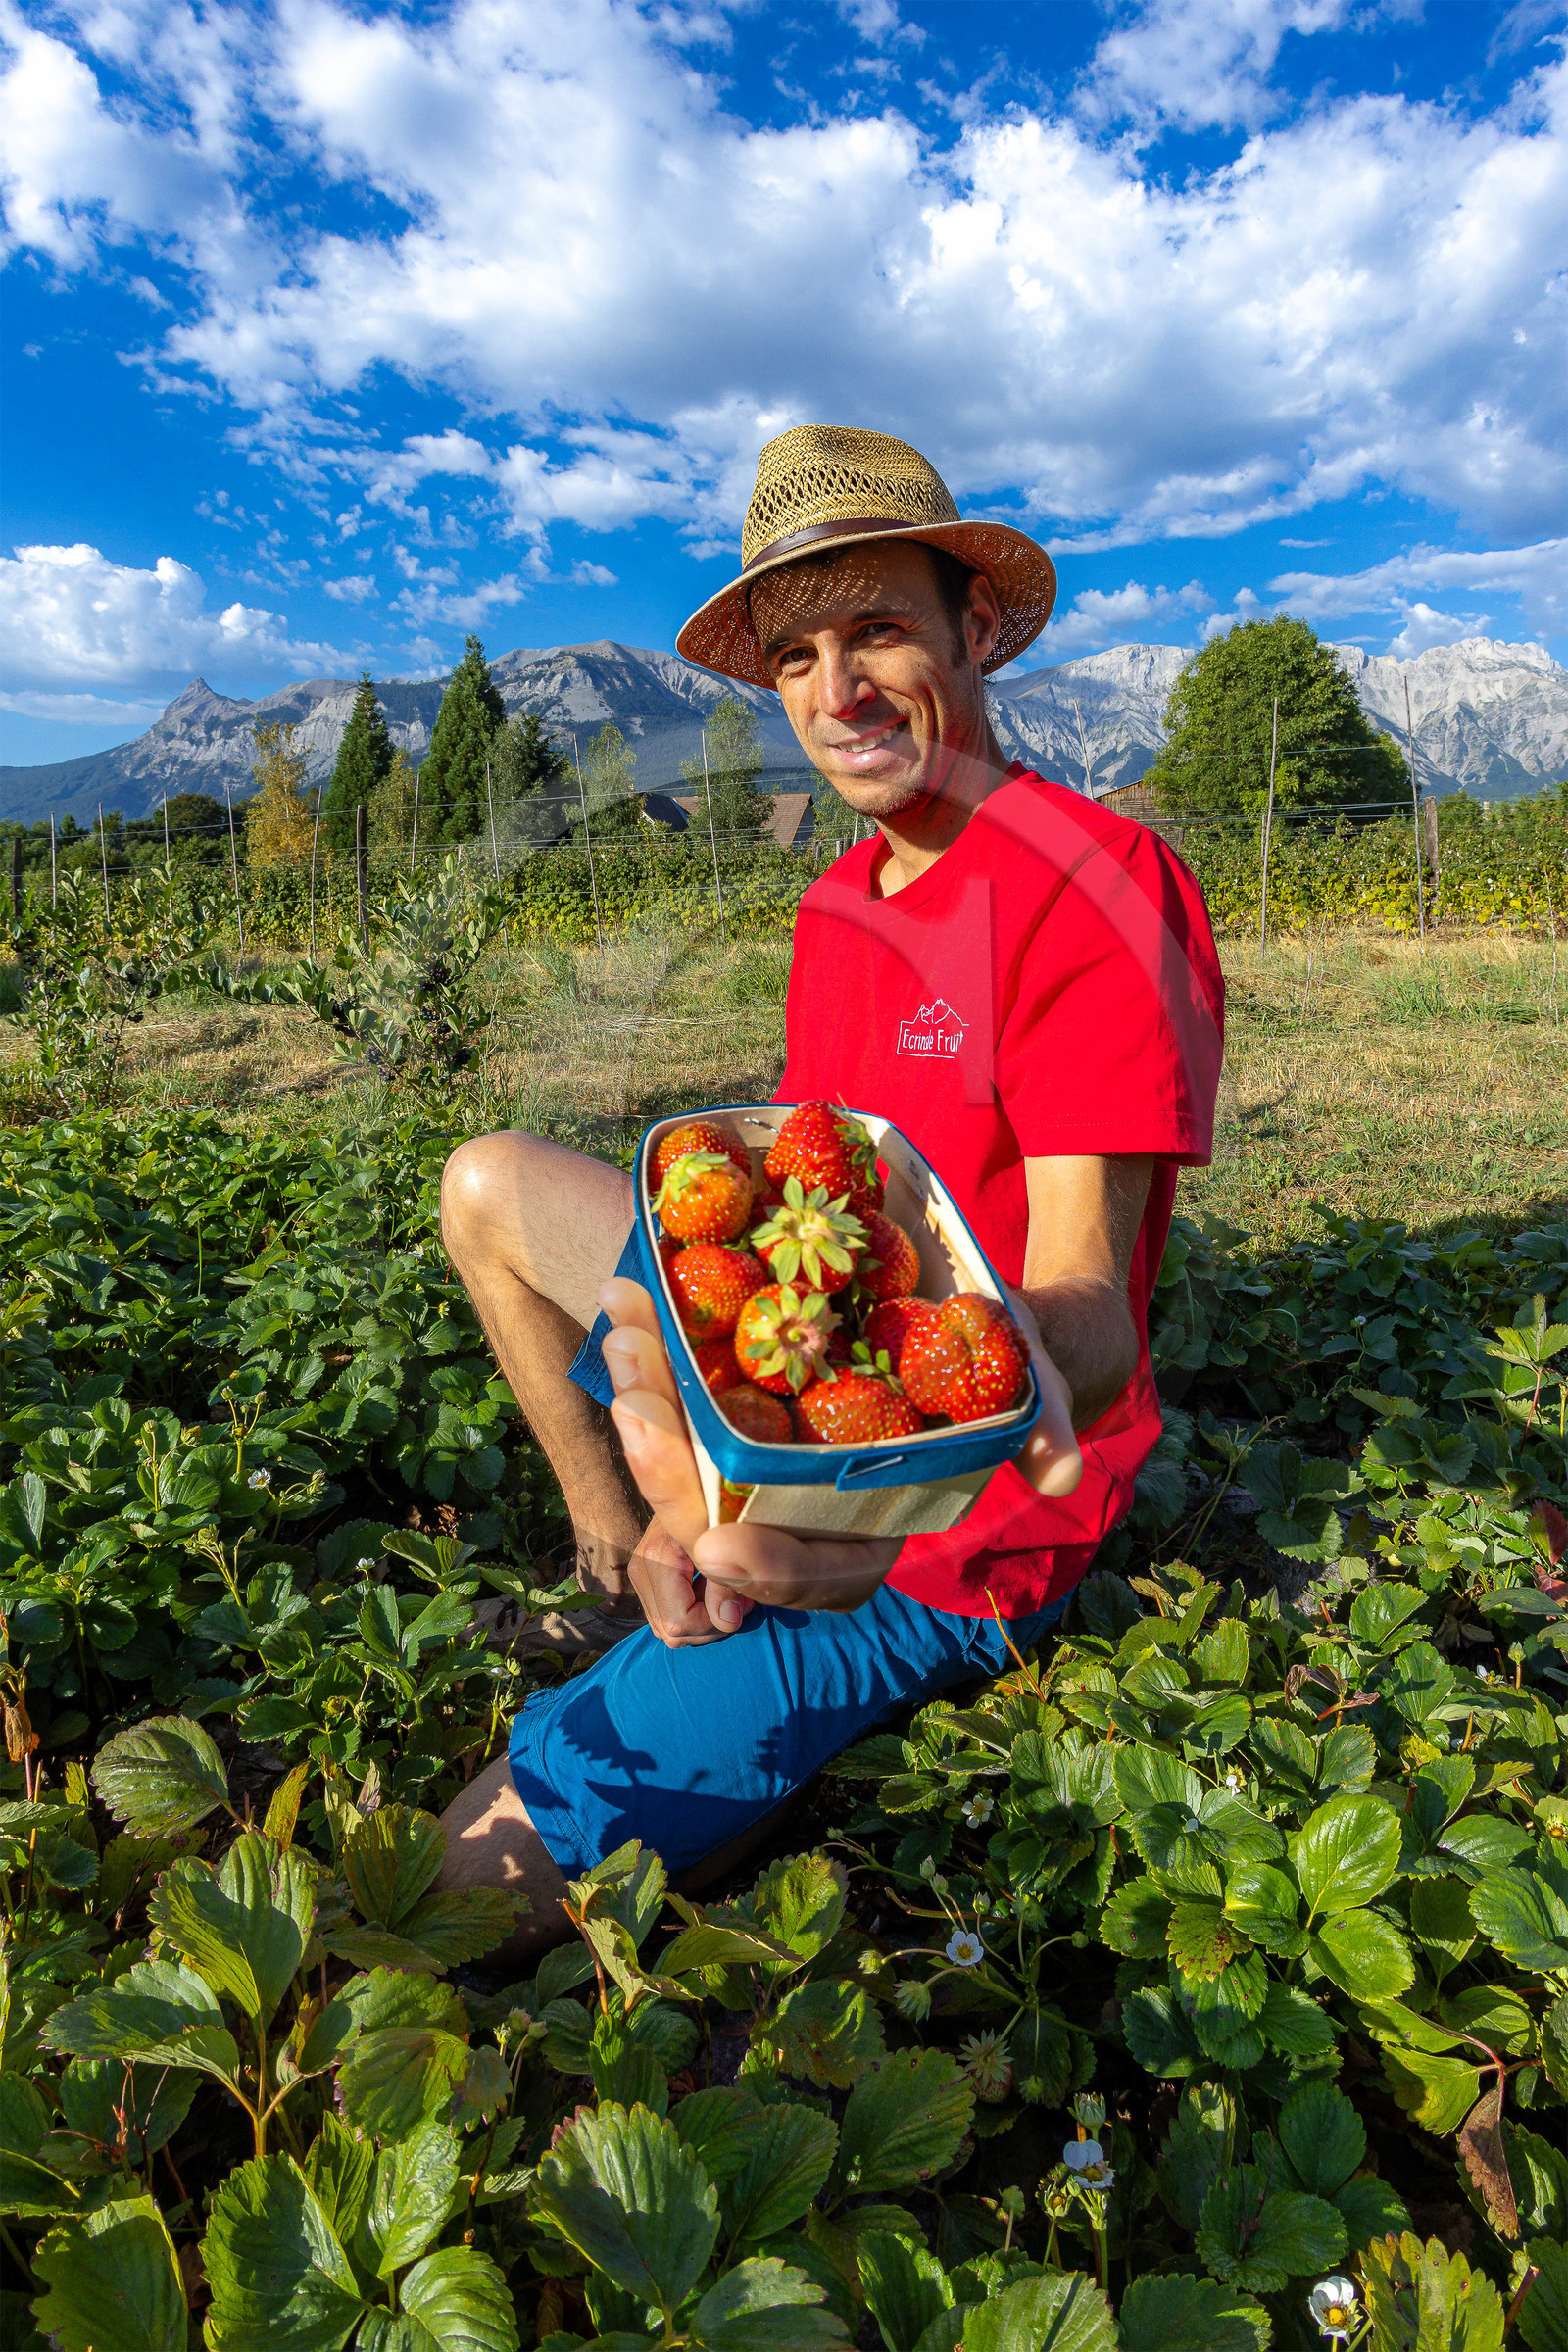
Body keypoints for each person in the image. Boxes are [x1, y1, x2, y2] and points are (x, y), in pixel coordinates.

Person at [436, 425, 1224, 1951]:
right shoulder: (841, 906)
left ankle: (750, 1639)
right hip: (822, 1382)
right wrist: (683, 1411)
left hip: (969, 1505)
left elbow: (1090, 1311)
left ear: (974, 627)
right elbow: (819, 1218)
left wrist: (814, 1473)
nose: (836, 691)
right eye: (796, 654)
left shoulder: (1091, 889)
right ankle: (621, 1555)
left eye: (876, 630)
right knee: (488, 1187)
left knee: (457, 1884)